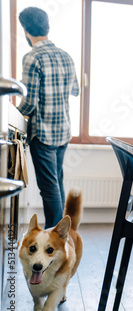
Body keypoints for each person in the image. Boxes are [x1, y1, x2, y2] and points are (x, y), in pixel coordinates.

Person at [17, 7, 79, 229]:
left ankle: (55, 238)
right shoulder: (66, 56)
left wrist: (11, 115)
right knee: (56, 183)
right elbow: (75, 90)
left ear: (25, 30)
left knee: (49, 187)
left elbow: (29, 103)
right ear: (47, 26)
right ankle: (61, 235)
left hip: (43, 134)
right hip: (63, 131)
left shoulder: (32, 57)